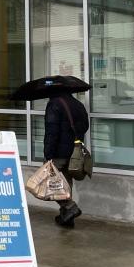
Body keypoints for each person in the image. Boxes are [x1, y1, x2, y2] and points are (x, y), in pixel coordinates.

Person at [43, 91, 89, 228]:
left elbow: (52, 132)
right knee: (66, 184)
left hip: (58, 153)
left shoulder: (54, 104)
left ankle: (70, 207)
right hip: (74, 152)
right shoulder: (78, 104)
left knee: (50, 183)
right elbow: (85, 126)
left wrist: (48, 154)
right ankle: (67, 219)